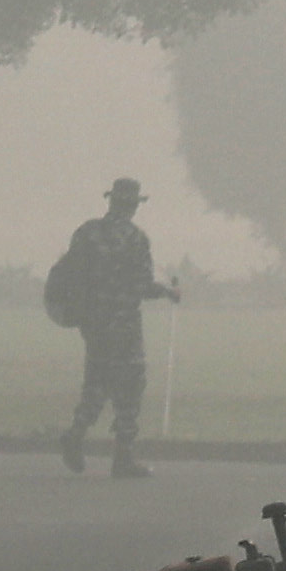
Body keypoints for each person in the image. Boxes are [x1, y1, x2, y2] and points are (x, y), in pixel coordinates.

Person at [47, 178, 176, 479]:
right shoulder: (135, 239)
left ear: (111, 201)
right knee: (130, 385)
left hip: (92, 323)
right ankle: (123, 456)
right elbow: (142, 285)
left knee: (97, 381)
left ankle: (76, 433)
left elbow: (68, 273)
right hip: (124, 324)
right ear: (134, 205)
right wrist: (168, 292)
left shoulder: (86, 232)